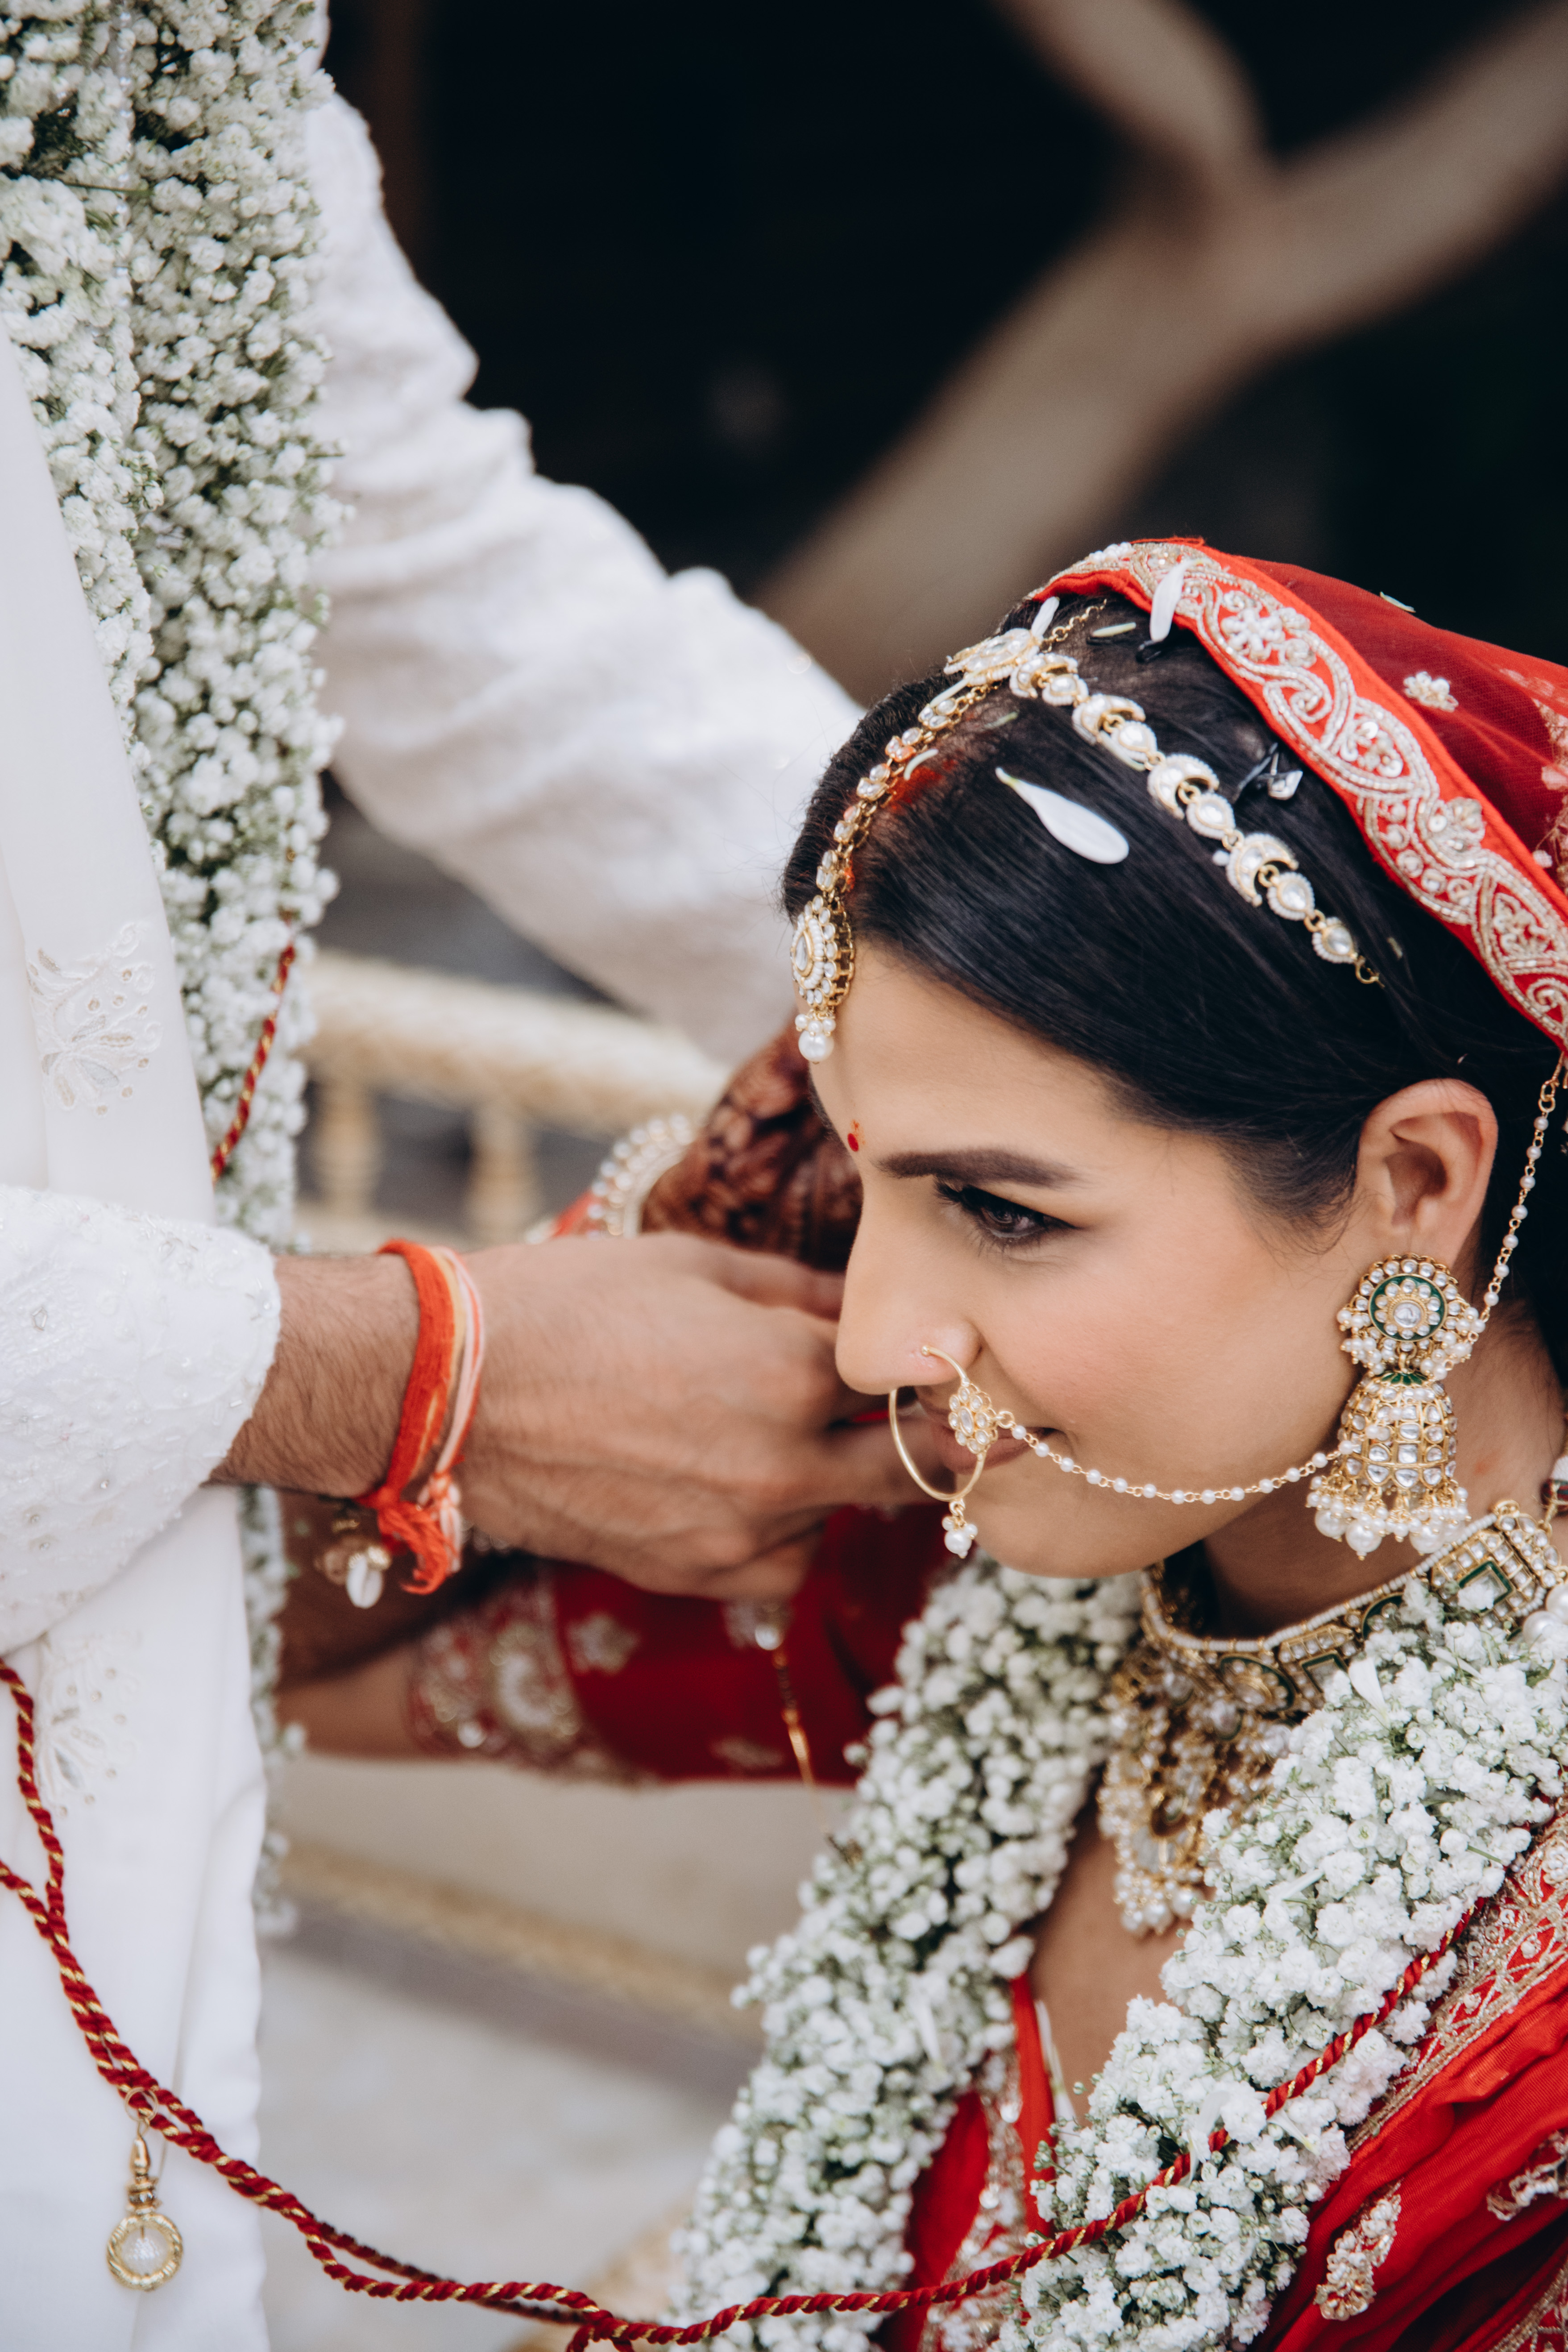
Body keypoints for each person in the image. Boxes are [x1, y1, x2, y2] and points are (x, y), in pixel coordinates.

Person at [295, 542, 1568, 2349]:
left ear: (1414, 1183)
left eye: (1003, 1209)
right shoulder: (970, 1558)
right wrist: (468, 1353)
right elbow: (274, 1654)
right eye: (859, 1179)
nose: (875, 1338)